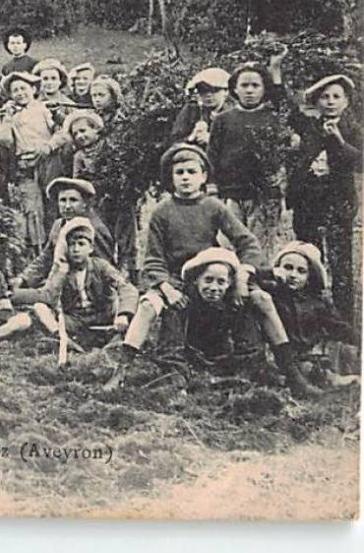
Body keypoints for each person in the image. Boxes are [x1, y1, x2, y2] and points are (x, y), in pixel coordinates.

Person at [102, 143, 316, 396]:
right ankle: (122, 371)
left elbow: (246, 242)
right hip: (175, 278)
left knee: (262, 297)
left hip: (211, 272)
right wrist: (166, 288)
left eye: (192, 172)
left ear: (203, 176)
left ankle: (292, 373)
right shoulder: (162, 212)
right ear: (171, 178)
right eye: (179, 172)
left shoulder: (214, 207)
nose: (185, 178)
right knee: (149, 305)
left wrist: (243, 274)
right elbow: (153, 260)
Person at [105, 248, 316, 397]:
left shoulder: (234, 300)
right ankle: (126, 373)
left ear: (230, 284)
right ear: (196, 280)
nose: (214, 287)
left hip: (223, 358)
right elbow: (170, 345)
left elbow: (250, 345)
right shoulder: (181, 299)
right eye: (208, 280)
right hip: (188, 356)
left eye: (221, 282)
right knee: (175, 379)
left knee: (252, 374)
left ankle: (292, 374)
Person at [282, 71, 361, 326]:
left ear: (346, 102)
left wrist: (338, 139)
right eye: (324, 97)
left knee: (340, 262)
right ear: (316, 103)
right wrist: (275, 72)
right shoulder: (310, 126)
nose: (330, 101)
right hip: (308, 202)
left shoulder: (353, 129)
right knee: (307, 255)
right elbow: (288, 107)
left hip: (338, 202)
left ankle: (343, 321)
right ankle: (309, 315)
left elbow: (359, 162)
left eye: (336, 96)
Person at [23, 216, 138, 347]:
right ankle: (62, 339)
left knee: (129, 308)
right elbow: (48, 296)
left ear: (91, 248)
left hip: (103, 318)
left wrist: (123, 314)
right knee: (40, 308)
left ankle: (116, 340)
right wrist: (60, 272)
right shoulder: (63, 269)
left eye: (81, 244)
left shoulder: (101, 267)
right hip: (76, 320)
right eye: (72, 244)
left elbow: (127, 288)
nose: (76, 249)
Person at [207, 56, 289, 239]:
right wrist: (212, 185)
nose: (250, 90)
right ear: (234, 88)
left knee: (258, 244)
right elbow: (212, 154)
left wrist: (275, 69)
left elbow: (285, 106)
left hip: (263, 195)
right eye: (244, 85)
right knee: (229, 242)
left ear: (264, 89)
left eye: (255, 85)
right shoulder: (223, 119)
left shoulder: (273, 118)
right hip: (231, 192)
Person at [260, 240, 358, 385]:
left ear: (308, 277)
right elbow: (250, 277)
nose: (293, 275)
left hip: (310, 353)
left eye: (301, 271)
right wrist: (269, 274)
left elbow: (338, 327)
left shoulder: (316, 302)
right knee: (302, 370)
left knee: (348, 351)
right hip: (282, 356)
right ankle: (331, 380)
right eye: (288, 268)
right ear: (277, 269)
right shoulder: (271, 294)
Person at [0, 70, 64, 250]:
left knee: (52, 207)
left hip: (48, 163)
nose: (20, 93)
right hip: (25, 166)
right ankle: (37, 252)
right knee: (33, 210)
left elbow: (62, 133)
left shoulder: (44, 109)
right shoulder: (10, 115)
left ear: (33, 89)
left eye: (23, 88)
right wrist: (8, 117)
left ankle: (57, 248)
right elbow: (4, 140)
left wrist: (48, 147)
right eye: (15, 90)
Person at [12, 177, 115, 299]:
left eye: (73, 200)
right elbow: (46, 258)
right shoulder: (58, 225)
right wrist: (23, 279)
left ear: (84, 204)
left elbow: (102, 268)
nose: (67, 206)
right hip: (58, 285)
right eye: (62, 200)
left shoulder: (94, 228)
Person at [170, 67, 232, 146]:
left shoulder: (233, 113)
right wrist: (192, 137)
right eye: (203, 90)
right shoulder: (192, 111)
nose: (208, 95)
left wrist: (212, 139)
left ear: (226, 92)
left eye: (214, 90)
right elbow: (174, 142)